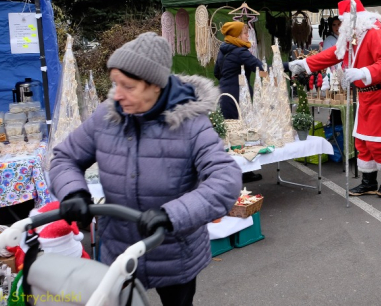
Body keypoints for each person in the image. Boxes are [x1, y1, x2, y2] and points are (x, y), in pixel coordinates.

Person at [50, 32, 242, 306]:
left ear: (155, 86)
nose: (117, 94)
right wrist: (72, 192)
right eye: (115, 84)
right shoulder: (106, 117)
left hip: (175, 254)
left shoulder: (191, 124)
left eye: (128, 86)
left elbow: (226, 180)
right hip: (120, 252)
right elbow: (64, 157)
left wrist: (172, 214)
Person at [289, 0, 381, 197]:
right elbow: (334, 53)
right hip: (366, 95)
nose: (340, 26)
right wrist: (305, 64)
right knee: (362, 140)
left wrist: (363, 72)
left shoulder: (375, 34)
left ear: (352, 19)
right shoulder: (354, 35)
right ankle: (369, 181)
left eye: (342, 21)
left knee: (377, 140)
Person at [215, 21, 265, 182]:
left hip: (224, 94)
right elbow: (260, 69)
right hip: (238, 96)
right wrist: (278, 71)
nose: (247, 35)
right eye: (244, 33)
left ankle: (233, 171)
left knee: (231, 133)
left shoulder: (224, 50)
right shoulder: (240, 52)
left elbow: (217, 72)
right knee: (242, 133)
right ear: (236, 35)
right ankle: (244, 172)